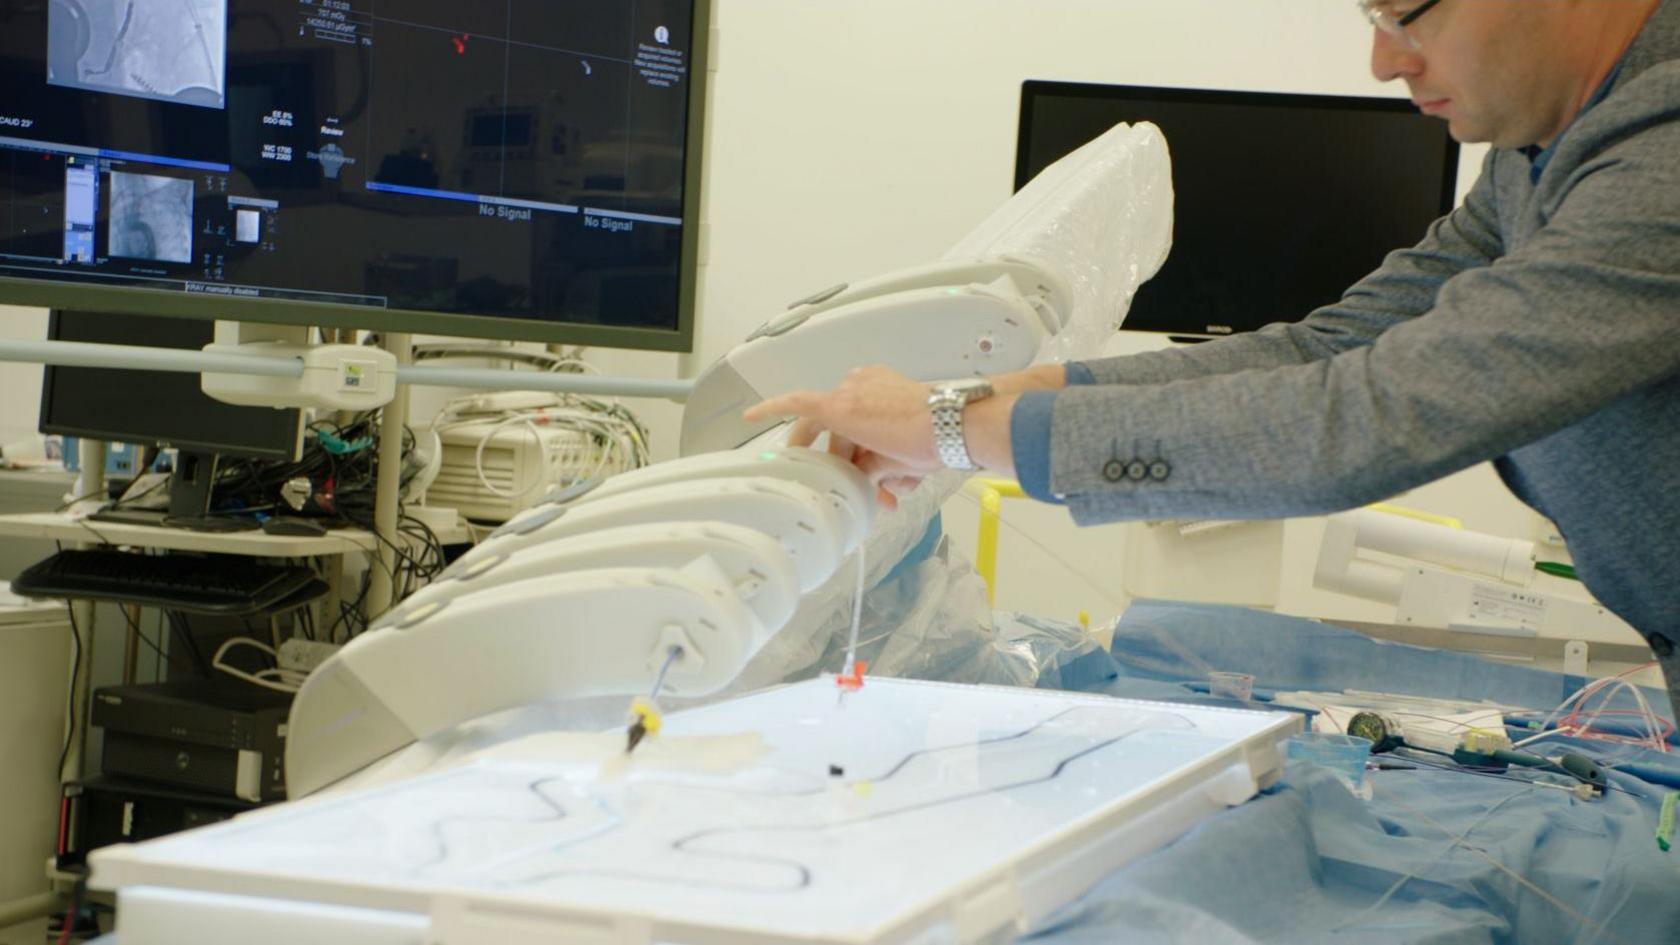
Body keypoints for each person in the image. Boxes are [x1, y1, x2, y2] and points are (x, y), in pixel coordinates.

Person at [744, 0, 1680, 718]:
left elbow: (1363, 417)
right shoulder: (1535, 155)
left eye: (1406, 12)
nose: (1384, 59)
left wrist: (958, 428)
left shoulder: (1660, 158)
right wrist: (994, 392)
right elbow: (1325, 348)